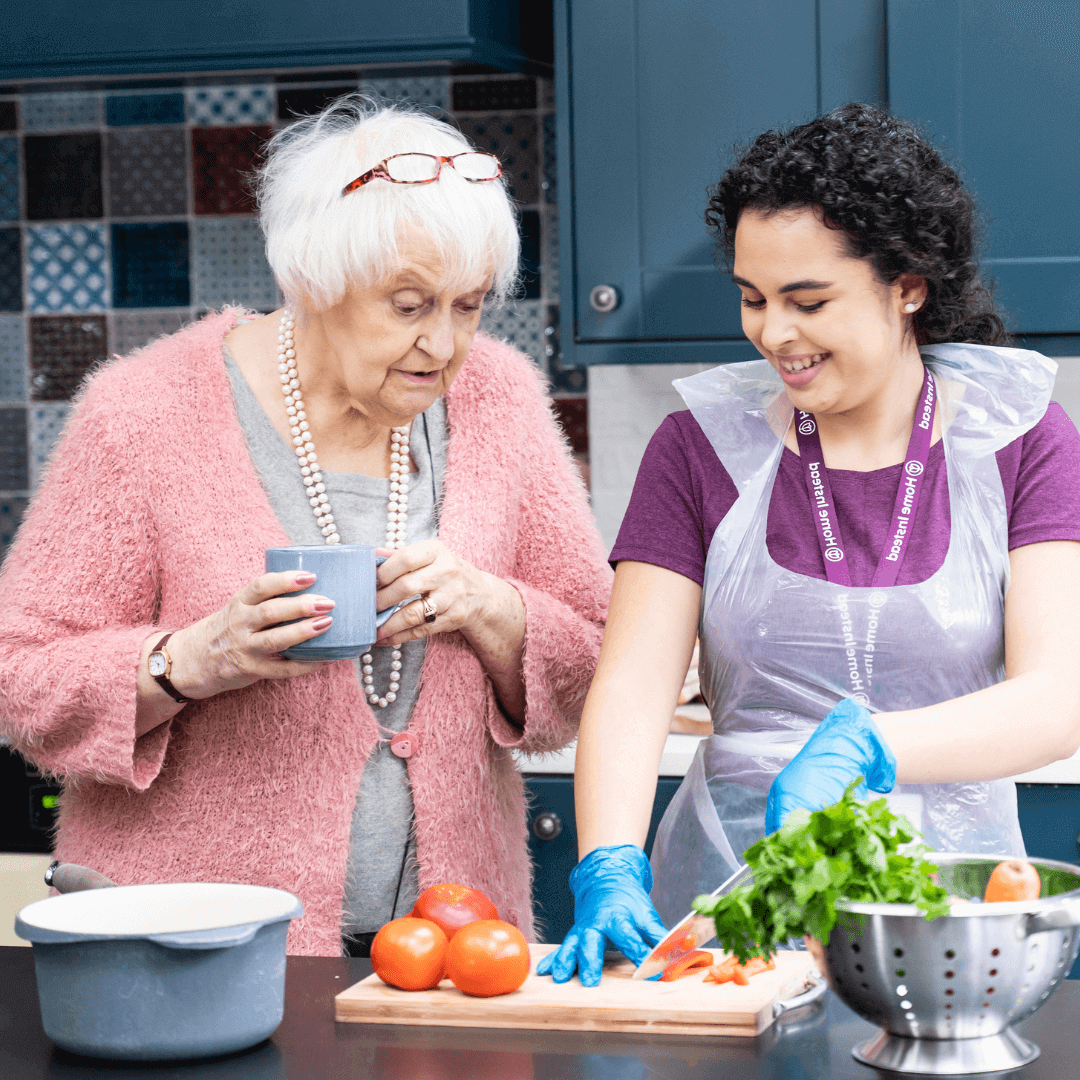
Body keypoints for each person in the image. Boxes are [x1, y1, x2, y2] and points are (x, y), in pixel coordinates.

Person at [0, 98, 613, 956]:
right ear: (314, 281)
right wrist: (188, 662)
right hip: (198, 952)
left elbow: (595, 664)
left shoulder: (501, 401)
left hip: (450, 951)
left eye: (468, 306)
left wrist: (494, 609)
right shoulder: (141, 414)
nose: (443, 344)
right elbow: (18, 672)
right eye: (408, 305)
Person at [540, 103, 1080, 986]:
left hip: (944, 916)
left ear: (908, 284)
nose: (773, 333)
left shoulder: (1024, 439)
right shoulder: (697, 449)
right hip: (729, 906)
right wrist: (607, 861)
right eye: (753, 298)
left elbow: (1055, 702)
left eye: (808, 300)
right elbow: (634, 688)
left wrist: (870, 750)